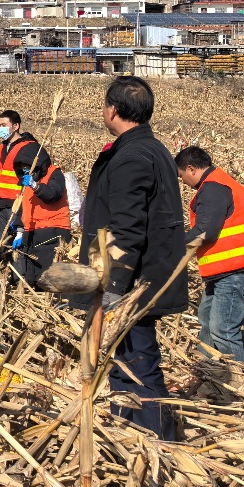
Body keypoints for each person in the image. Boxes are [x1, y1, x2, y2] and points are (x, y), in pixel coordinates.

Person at [82, 77, 188, 440]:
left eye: (103, 105)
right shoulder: (151, 148)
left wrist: (112, 289)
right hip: (141, 279)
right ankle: (139, 437)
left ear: (113, 109)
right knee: (133, 363)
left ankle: (150, 443)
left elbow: (126, 229)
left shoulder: (131, 156)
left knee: (134, 366)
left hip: (132, 284)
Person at [175, 146, 244, 368]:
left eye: (181, 176)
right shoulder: (217, 184)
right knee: (207, 323)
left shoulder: (213, 188)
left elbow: (205, 231)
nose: (183, 182)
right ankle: (206, 378)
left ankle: (237, 387)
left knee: (222, 329)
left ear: (191, 168)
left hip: (237, 271)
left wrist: (171, 245)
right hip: (226, 272)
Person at [0, 110, 52, 264]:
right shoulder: (1, 148)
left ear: (16, 126)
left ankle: (20, 279)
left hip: (17, 204)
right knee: (4, 245)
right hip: (0, 204)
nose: (0, 128)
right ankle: (7, 276)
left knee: (20, 245)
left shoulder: (30, 148)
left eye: (4, 125)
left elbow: (39, 174)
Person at [12, 162, 70, 288]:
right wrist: (20, 231)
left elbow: (53, 195)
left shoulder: (54, 173)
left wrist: (35, 185)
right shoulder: (27, 179)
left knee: (49, 277)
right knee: (34, 276)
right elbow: (24, 206)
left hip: (52, 230)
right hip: (32, 231)